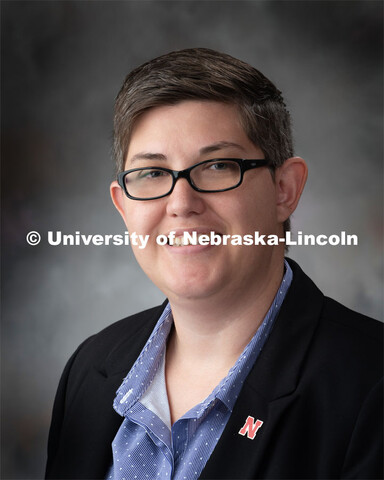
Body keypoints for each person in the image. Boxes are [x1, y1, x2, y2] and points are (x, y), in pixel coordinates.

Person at [45, 48, 383, 480]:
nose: (181, 203)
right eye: (152, 174)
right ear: (123, 207)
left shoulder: (370, 386)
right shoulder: (89, 369)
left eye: (218, 166)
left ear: (285, 189)